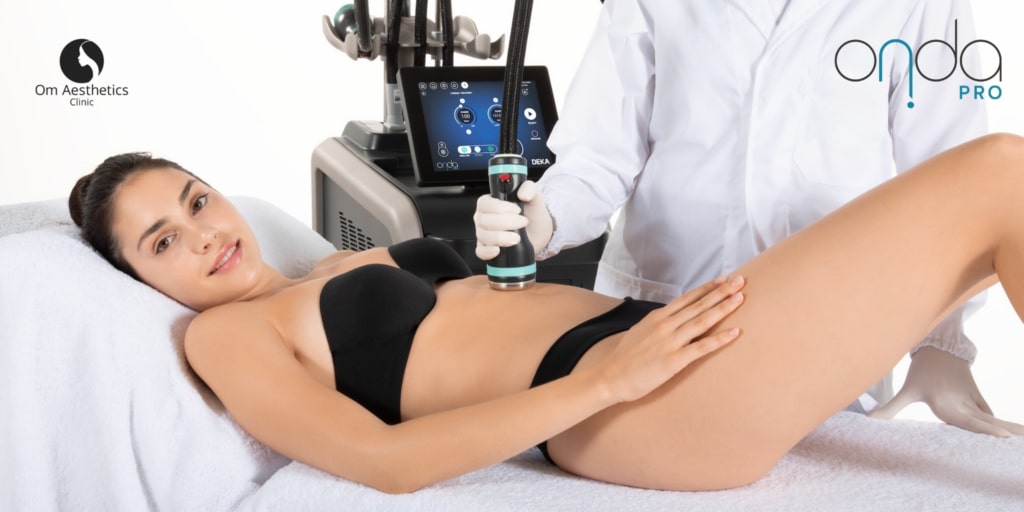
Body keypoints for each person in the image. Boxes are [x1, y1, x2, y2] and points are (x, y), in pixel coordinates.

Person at [71, 136, 1024, 494]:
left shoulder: (319, 269)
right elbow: (386, 462)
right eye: (162, 242)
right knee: (999, 175)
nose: (203, 235)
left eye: (195, 200)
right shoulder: (226, 334)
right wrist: (601, 383)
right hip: (628, 403)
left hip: (642, 348)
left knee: (988, 222)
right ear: (141, 279)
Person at [474, 0, 1009, 432]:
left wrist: (942, 343)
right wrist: (547, 217)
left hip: (827, 333)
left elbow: (953, 178)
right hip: (658, 317)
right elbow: (600, 154)